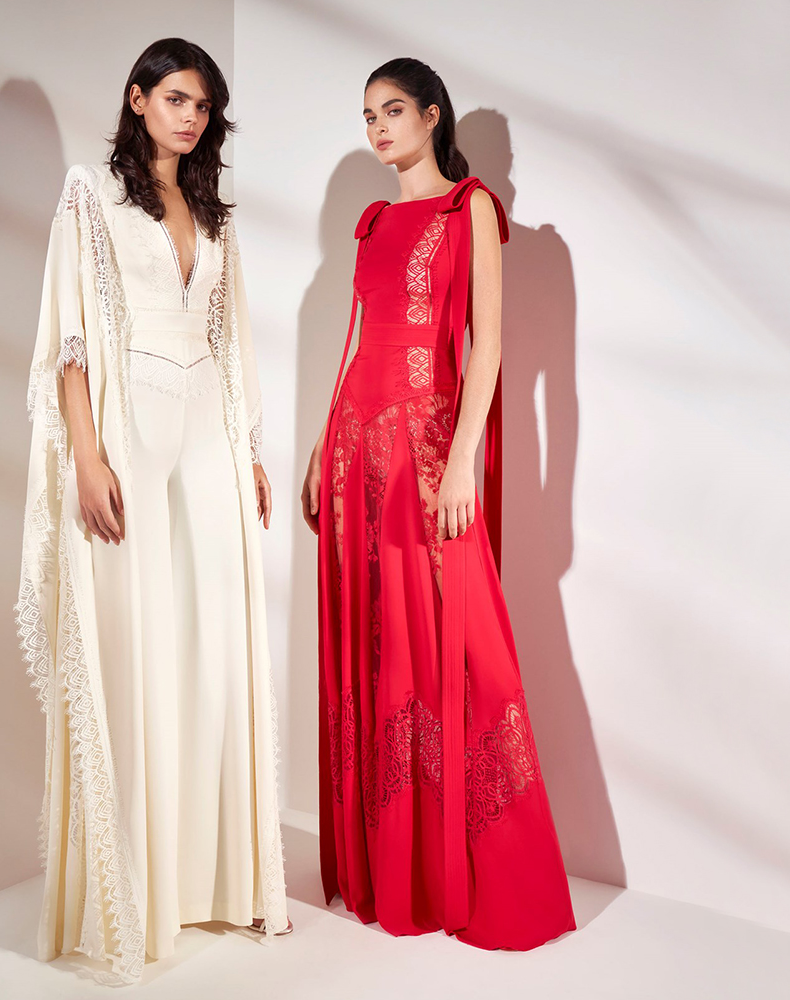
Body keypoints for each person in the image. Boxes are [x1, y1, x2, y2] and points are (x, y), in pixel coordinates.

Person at [15, 37, 290, 985]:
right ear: (137, 99)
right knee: (134, 644)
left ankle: (218, 878)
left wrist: (248, 448)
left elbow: (229, 332)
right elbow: (72, 335)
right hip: (128, 415)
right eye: (175, 98)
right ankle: (134, 893)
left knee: (216, 637)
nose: (190, 117)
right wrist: (87, 453)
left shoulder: (211, 212)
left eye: (203, 105)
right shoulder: (91, 193)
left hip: (206, 417)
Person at [301, 58, 576, 949]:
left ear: (431, 115)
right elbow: (357, 342)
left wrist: (463, 461)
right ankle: (390, 863)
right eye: (367, 115)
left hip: (424, 448)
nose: (377, 128)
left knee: (454, 644)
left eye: (392, 110)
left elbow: (488, 347)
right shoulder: (374, 221)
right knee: (378, 640)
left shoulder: (471, 209)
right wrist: (321, 446)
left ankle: (463, 867)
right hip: (355, 447)